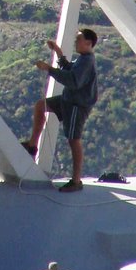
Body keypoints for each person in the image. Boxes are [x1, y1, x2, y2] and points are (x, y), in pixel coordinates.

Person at [21, 28, 98, 193]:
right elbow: (70, 69)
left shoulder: (87, 61)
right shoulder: (83, 59)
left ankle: (76, 181)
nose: (75, 42)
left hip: (76, 105)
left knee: (73, 139)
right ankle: (32, 145)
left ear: (88, 43)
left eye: (78, 40)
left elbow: (73, 81)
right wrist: (57, 51)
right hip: (68, 100)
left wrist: (49, 69)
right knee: (41, 106)